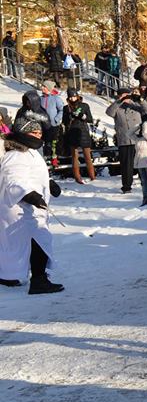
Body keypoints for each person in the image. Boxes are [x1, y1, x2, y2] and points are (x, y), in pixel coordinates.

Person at [0, 116, 63, 293]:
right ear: (23, 134)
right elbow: (13, 180)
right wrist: (30, 195)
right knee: (38, 242)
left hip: (31, 207)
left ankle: (9, 276)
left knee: (19, 246)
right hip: (22, 208)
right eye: (35, 132)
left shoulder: (31, 152)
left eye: (40, 132)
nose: (39, 135)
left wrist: (49, 183)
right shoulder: (15, 155)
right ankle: (39, 280)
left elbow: (35, 172)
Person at [106, 88, 147, 193]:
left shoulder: (136, 105)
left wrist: (140, 99)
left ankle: (146, 183)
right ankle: (126, 187)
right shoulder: (117, 107)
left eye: (127, 95)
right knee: (126, 166)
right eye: (122, 95)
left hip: (138, 139)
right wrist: (119, 101)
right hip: (124, 140)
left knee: (142, 163)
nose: (126, 97)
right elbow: (109, 112)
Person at [62, 89, 96, 184]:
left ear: (77, 96)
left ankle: (92, 176)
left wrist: (82, 116)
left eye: (74, 96)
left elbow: (90, 119)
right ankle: (77, 177)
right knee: (74, 156)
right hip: (72, 131)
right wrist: (70, 117)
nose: (72, 99)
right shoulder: (66, 108)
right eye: (70, 97)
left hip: (83, 131)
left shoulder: (84, 106)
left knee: (87, 156)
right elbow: (64, 121)